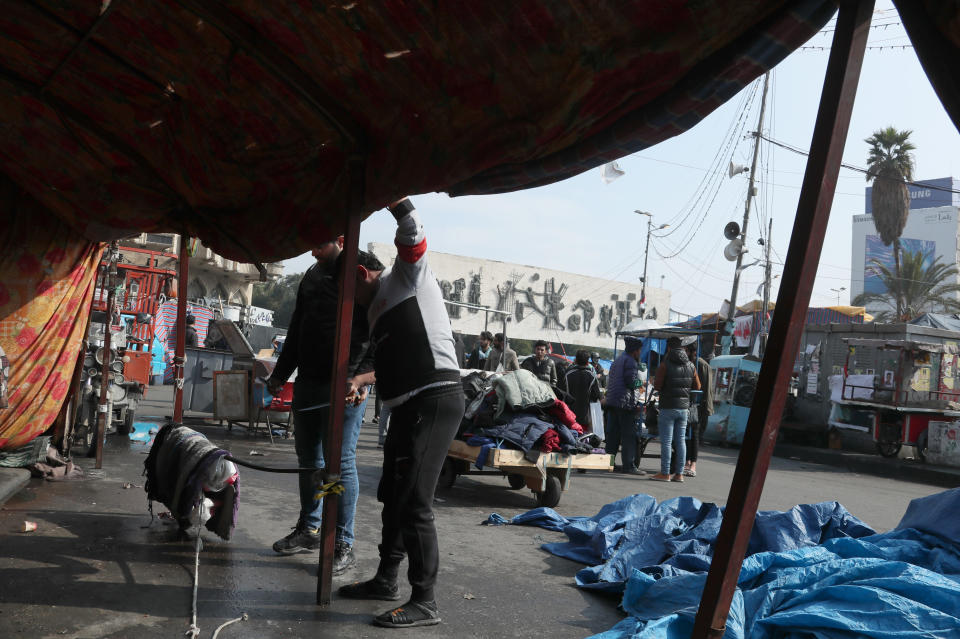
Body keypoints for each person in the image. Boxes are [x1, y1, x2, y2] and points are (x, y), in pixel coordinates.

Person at [338, 197, 465, 629]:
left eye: (346, 292)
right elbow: (381, 362)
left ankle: (425, 600)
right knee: (393, 499)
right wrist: (359, 382)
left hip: (435, 398)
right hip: (402, 406)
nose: (346, 303)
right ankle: (386, 580)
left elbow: (412, 237)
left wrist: (396, 202)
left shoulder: (405, 277)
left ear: (361, 274)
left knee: (414, 502)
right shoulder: (373, 309)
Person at [264, 238, 380, 576]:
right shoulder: (312, 276)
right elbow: (298, 327)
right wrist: (280, 374)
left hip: (346, 387)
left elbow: (378, 328)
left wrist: (362, 378)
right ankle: (310, 528)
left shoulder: (364, 269)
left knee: (337, 462)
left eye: (319, 244)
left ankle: (341, 539)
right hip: (309, 382)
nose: (312, 250)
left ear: (341, 239)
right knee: (309, 460)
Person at [650, 336, 700, 482]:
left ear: (669, 348)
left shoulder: (665, 365)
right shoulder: (691, 365)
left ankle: (665, 473)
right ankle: (679, 474)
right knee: (681, 441)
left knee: (666, 442)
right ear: (683, 348)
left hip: (667, 408)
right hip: (684, 409)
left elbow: (658, 386)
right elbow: (698, 386)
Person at [604, 336, 644, 474]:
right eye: (639, 350)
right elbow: (631, 383)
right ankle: (629, 466)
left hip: (613, 402)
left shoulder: (618, 360)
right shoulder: (631, 362)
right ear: (635, 351)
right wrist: (642, 383)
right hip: (625, 404)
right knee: (628, 435)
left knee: (614, 435)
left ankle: (609, 463)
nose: (640, 353)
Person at [683, 344, 713, 477]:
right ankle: (609, 465)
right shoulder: (690, 364)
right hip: (689, 405)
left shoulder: (700, 365)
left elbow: (703, 389)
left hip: (697, 406)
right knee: (686, 437)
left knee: (693, 436)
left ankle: (691, 463)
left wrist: (705, 408)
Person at [560, 349, 602, 432]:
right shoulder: (592, 376)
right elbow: (596, 395)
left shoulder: (568, 374)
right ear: (588, 362)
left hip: (570, 414)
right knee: (583, 437)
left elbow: (561, 393)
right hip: (585, 414)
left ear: (575, 360)